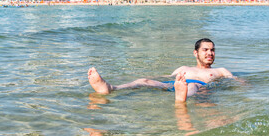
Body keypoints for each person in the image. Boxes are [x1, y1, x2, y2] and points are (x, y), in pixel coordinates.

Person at [88, 38, 242, 102]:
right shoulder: (183, 68)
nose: (210, 53)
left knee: (192, 86)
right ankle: (110, 88)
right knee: (144, 81)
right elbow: (165, 77)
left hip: (197, 86)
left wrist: (245, 86)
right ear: (196, 53)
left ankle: (181, 98)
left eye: (212, 50)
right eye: (206, 50)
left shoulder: (220, 70)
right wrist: (148, 78)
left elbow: (236, 81)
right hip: (174, 85)